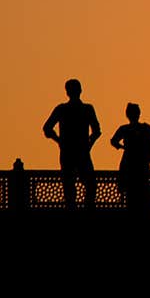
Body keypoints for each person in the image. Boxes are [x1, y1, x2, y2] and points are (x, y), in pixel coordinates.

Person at [43, 78, 101, 209]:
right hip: (82, 152)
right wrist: (89, 144)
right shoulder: (87, 109)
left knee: (69, 187)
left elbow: (47, 128)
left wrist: (59, 141)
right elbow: (97, 131)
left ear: (67, 92)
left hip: (68, 152)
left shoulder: (62, 109)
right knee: (90, 185)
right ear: (80, 91)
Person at [110, 102, 150, 211]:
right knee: (144, 201)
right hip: (142, 170)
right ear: (139, 113)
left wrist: (123, 147)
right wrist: (145, 157)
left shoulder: (125, 129)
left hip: (129, 169)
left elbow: (113, 141)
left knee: (131, 202)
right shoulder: (146, 129)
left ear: (127, 115)